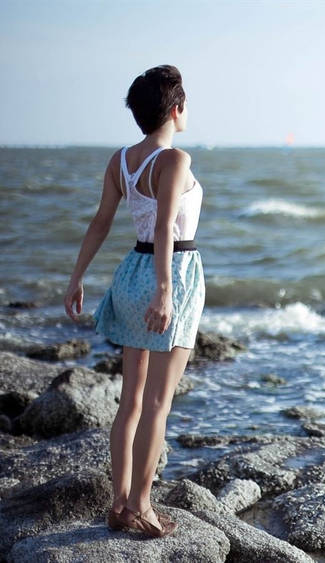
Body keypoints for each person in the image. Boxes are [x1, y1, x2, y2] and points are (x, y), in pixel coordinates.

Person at [64, 65, 205, 538]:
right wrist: (166, 290)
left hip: (130, 274)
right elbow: (166, 227)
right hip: (171, 274)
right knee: (158, 404)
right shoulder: (175, 160)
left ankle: (118, 503)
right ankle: (141, 507)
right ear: (176, 108)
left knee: (130, 403)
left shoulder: (121, 159)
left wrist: (77, 277)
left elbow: (101, 222)